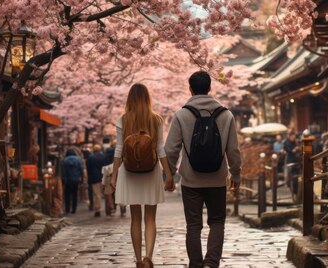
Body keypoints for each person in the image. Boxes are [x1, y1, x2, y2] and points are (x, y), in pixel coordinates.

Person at [164, 71, 242, 268]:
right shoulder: (226, 115)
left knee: (193, 225)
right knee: (217, 222)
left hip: (190, 180)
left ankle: (196, 265)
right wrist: (236, 174)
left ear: (190, 89)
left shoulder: (182, 114)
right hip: (217, 179)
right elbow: (233, 149)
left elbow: (170, 149)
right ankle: (211, 264)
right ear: (209, 88)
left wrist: (169, 175)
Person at [110, 83, 174, 268]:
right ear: (148, 99)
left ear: (130, 99)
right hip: (151, 171)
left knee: (135, 218)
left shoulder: (123, 120)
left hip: (129, 172)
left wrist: (114, 176)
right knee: (151, 219)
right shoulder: (156, 120)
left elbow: (119, 149)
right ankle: (148, 257)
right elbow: (160, 149)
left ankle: (138, 260)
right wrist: (168, 175)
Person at [62, 148, 84, 214]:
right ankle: (74, 209)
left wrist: (63, 179)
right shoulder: (78, 159)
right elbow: (81, 169)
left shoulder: (65, 160)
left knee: (67, 195)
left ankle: (67, 209)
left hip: (68, 180)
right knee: (75, 194)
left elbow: (63, 171)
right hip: (76, 179)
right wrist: (81, 177)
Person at [86, 144, 105, 217]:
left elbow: (88, 169)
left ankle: (98, 209)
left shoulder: (90, 158)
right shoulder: (103, 157)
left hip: (94, 178)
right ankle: (110, 208)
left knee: (97, 194)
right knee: (104, 194)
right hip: (102, 177)